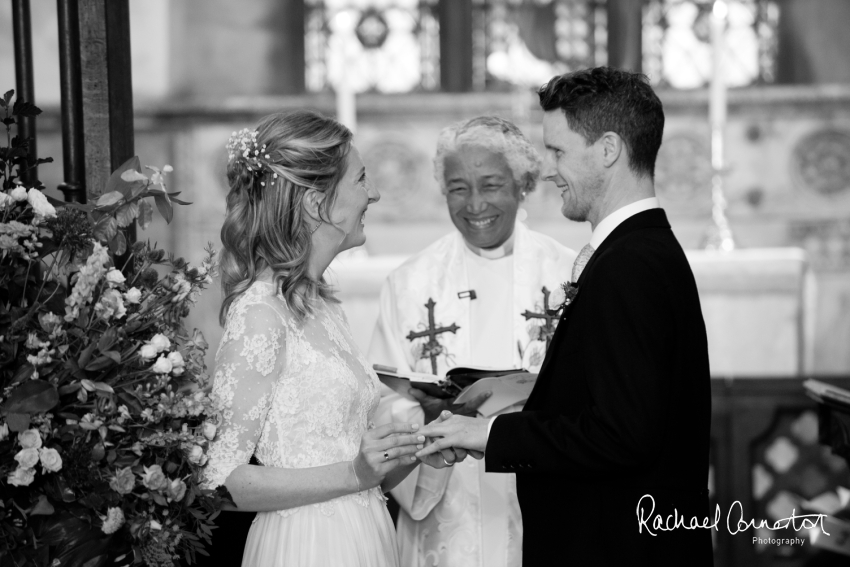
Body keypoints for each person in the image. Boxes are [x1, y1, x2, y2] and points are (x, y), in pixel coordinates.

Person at [416, 67, 714, 566]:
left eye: (557, 150)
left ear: (608, 149)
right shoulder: (638, 250)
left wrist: (487, 435)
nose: (549, 169)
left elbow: (622, 434)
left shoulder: (628, 266)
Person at [201, 110, 454, 566]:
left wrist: (420, 447)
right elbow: (221, 481)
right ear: (317, 203)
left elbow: (356, 466)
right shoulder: (260, 313)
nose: (373, 193)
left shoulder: (322, 305)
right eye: (360, 179)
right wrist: (355, 474)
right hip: (305, 545)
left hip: (365, 535)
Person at [369, 116, 576, 567]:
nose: (475, 203)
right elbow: (381, 396)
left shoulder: (568, 275)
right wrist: (424, 414)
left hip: (541, 492)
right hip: (445, 500)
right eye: (459, 188)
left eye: (491, 184)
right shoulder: (410, 282)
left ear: (523, 184)